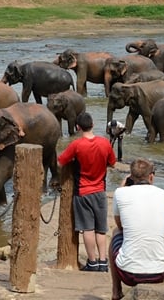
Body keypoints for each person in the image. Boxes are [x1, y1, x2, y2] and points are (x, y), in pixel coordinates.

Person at [58, 112, 116, 272]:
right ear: (93, 125)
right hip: (100, 192)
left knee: (87, 228)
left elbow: (61, 160)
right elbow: (112, 163)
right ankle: (103, 262)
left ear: (78, 127)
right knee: (101, 229)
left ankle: (92, 262)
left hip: (83, 192)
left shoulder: (76, 145)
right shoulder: (105, 143)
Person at [109, 158, 164, 300]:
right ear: (151, 176)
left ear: (130, 177)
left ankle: (116, 290)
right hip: (160, 273)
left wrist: (123, 187)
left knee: (115, 233)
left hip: (128, 273)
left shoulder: (120, 193)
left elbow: (120, 227)